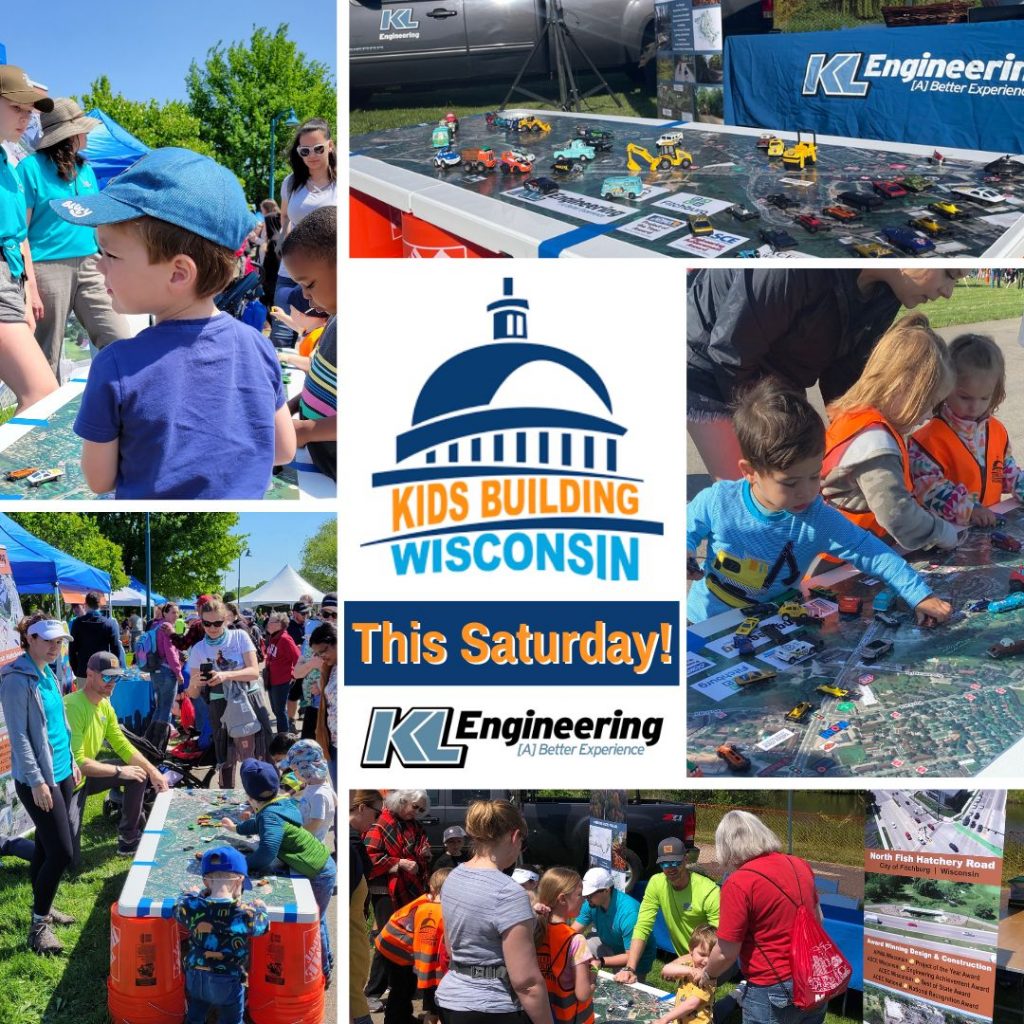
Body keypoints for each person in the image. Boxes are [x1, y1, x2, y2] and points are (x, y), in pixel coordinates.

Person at [49, 147, 297, 498]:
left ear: (179, 273)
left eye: (110, 254)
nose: (97, 264)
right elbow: (283, 450)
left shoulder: (116, 365)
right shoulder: (258, 345)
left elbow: (98, 480)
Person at [686, 378, 954, 626]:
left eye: (815, 476)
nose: (806, 492)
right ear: (750, 472)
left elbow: (872, 553)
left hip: (771, 622)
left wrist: (919, 595)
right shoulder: (717, 500)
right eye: (790, 483)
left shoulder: (817, 518)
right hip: (703, 620)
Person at [686, 268, 963, 480]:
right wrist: (773, 437)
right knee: (756, 501)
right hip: (708, 365)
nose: (949, 291)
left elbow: (845, 377)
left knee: (800, 480)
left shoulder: (885, 293)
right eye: (950, 275)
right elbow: (731, 353)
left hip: (772, 376)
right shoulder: (794, 269)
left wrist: (860, 439)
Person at [823, 314, 959, 551]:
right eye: (929, 403)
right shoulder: (874, 444)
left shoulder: (855, 418)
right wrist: (940, 531)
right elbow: (898, 515)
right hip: (838, 565)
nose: (929, 415)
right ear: (903, 388)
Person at [18, 98, 130, 376]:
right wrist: (30, 287)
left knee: (120, 340)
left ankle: (123, 408)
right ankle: (45, 416)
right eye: (83, 129)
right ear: (69, 135)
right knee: (46, 358)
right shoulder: (29, 169)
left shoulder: (86, 169)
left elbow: (95, 221)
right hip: (47, 269)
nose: (87, 133)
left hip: (92, 264)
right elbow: (21, 233)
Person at [0, 615, 80, 954]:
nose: (54, 646)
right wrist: (36, 781)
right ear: (29, 638)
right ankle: (39, 926)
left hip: (61, 772)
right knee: (62, 852)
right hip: (39, 780)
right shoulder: (17, 679)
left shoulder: (50, 671)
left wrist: (73, 760)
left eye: (59, 641)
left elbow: (57, 724)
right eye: (47, 640)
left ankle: (43, 908)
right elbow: (18, 737)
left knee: (47, 849)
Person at [435, 799, 553, 1024]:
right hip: (493, 1008)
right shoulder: (508, 893)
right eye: (522, 843)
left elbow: (451, 947)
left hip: (451, 999)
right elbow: (526, 982)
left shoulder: (453, 877)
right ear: (515, 836)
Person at [703, 811, 826, 1024]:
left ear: (726, 845)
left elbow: (726, 952)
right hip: (813, 976)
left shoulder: (739, 882)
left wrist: (708, 974)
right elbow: (818, 919)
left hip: (772, 986)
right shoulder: (799, 864)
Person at [221, 758, 335, 982]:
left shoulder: (269, 814)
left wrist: (243, 865)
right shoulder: (280, 803)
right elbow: (259, 822)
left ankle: (324, 970)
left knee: (315, 921)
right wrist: (236, 828)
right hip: (320, 866)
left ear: (250, 796)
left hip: (319, 872)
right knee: (317, 920)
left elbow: (267, 851)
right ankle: (326, 963)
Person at [910, 333, 1024, 526]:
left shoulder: (996, 431)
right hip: (945, 536)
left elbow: (1006, 471)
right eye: (965, 397)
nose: (975, 407)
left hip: (987, 528)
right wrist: (969, 509)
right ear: (945, 387)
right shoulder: (928, 440)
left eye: (984, 398)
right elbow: (927, 488)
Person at [64, 651, 169, 861]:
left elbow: (123, 746)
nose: (112, 682)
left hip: (86, 776)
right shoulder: (72, 706)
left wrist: (154, 772)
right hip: (67, 782)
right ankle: (9, 845)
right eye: (106, 677)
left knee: (139, 773)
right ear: (90, 674)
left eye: (117, 677)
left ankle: (129, 840)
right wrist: (120, 770)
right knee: (67, 859)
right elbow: (77, 762)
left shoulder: (105, 704)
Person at [0, 65, 59, 414]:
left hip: (13, 276)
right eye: (17, 108)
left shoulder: (9, 161)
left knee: (40, 393)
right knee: (42, 394)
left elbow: (18, 233)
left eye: (29, 112)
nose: (26, 119)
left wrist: (28, 290)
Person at [173, 845, 270, 1024]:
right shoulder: (245, 914)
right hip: (227, 979)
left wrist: (194, 895)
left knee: (195, 1013)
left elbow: (177, 908)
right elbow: (262, 927)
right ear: (240, 880)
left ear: (205, 882)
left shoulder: (193, 906)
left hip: (196, 975)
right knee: (231, 1020)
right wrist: (261, 908)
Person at [614, 838, 719, 986]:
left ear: (686, 859)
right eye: (665, 864)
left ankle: (734, 999)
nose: (670, 869)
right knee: (684, 1001)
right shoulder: (656, 883)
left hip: (712, 957)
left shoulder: (709, 891)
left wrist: (679, 963)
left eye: (675, 863)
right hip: (690, 957)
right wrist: (629, 968)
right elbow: (643, 926)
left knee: (696, 1002)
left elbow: (720, 942)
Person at [270, 118, 337, 349]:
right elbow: (286, 216)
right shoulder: (291, 183)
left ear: (330, 145)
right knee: (281, 333)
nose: (312, 155)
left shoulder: (341, 181)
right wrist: (282, 240)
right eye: (304, 150)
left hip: (327, 273)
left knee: (321, 338)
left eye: (318, 148)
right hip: (292, 270)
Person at [282, 205, 337, 481]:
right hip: (315, 455)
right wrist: (286, 409)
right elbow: (323, 383)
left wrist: (305, 431)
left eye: (310, 284)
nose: (304, 296)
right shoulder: (335, 320)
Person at [364, 789, 434, 1004]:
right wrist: (399, 862)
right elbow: (370, 856)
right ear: (402, 800)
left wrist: (425, 852)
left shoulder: (413, 825)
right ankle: (373, 992)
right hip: (386, 890)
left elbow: (422, 843)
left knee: (406, 938)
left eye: (421, 809)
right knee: (388, 938)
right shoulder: (381, 822)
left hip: (410, 889)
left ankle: (400, 986)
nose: (418, 812)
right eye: (415, 807)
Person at [185, 598, 262, 788]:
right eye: (207, 623)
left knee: (254, 756)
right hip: (219, 705)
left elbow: (254, 672)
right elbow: (193, 694)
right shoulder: (198, 648)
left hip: (247, 700)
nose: (212, 628)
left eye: (217, 623)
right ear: (200, 621)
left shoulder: (239, 637)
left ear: (226, 619)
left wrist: (225, 675)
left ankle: (258, 797)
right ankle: (227, 801)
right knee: (225, 758)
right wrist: (194, 683)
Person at [375, 866, 453, 1024]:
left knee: (406, 986)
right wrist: (430, 975)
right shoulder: (434, 911)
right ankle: (394, 1020)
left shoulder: (426, 899)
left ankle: (402, 1017)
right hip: (396, 948)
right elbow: (428, 945)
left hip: (389, 942)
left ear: (432, 886)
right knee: (401, 988)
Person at [535, 868, 596, 1024]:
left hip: (541, 1014)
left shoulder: (535, 928)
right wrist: (594, 970)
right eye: (579, 894)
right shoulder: (576, 940)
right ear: (562, 899)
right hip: (570, 1018)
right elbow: (583, 994)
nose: (583, 899)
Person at [571, 868, 655, 978]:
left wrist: (600, 961)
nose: (586, 898)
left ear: (606, 890)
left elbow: (631, 956)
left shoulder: (629, 914)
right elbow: (572, 932)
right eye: (585, 894)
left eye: (590, 894)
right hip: (610, 944)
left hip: (636, 957)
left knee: (624, 988)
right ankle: (586, 981)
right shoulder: (591, 902)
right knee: (582, 944)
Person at [351, 789, 384, 1024]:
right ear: (362, 808)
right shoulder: (351, 847)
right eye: (377, 813)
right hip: (352, 941)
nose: (378, 820)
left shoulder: (355, 842)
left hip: (356, 936)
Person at [651, 926, 717, 1024]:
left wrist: (666, 1018)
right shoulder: (689, 967)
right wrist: (690, 970)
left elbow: (691, 1004)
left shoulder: (709, 978)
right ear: (691, 950)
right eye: (702, 954)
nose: (706, 960)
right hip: (680, 1020)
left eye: (711, 956)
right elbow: (666, 969)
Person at [143, 602, 185, 748]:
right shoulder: (167, 628)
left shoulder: (156, 625)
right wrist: (179, 673)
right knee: (166, 709)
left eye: (177, 612)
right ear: (165, 613)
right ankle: (158, 745)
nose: (176, 615)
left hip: (156, 671)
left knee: (160, 707)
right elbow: (171, 653)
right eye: (173, 612)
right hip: (167, 672)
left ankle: (149, 741)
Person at [278, 738, 336, 843]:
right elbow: (335, 802)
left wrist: (294, 833)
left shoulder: (319, 795)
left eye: (295, 770)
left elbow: (315, 824)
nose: (293, 774)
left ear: (307, 768)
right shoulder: (317, 784)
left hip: (310, 844)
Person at [68, 591, 126, 686]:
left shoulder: (77, 623)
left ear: (85, 604)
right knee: (103, 699)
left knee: (83, 700)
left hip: (84, 670)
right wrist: (117, 669)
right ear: (100, 604)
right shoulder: (109, 624)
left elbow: (72, 650)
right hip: (104, 671)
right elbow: (116, 650)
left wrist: (76, 670)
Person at [263, 611, 300, 733]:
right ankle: (285, 734)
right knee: (276, 710)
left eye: (270, 621)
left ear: (279, 624)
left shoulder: (285, 639)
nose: (267, 623)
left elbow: (298, 658)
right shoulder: (273, 637)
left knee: (279, 711)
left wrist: (293, 674)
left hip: (281, 680)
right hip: (272, 680)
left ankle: (284, 737)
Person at [311, 620, 337, 786]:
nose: (322, 656)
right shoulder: (331, 667)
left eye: (324, 651)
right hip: (333, 742)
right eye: (318, 654)